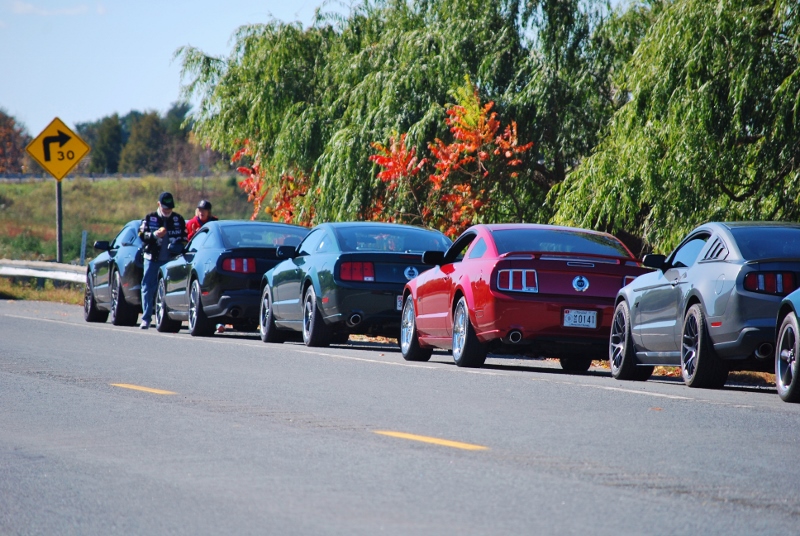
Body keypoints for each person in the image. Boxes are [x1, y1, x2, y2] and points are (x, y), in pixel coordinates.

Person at [137, 192, 187, 329]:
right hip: (152, 259)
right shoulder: (149, 218)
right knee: (147, 287)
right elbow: (141, 235)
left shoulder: (178, 219)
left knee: (168, 290)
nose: (167, 211)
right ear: (159, 205)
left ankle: (166, 318)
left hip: (170, 261)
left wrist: (178, 244)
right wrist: (154, 235)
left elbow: (184, 238)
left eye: (169, 209)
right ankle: (146, 318)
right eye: (165, 208)